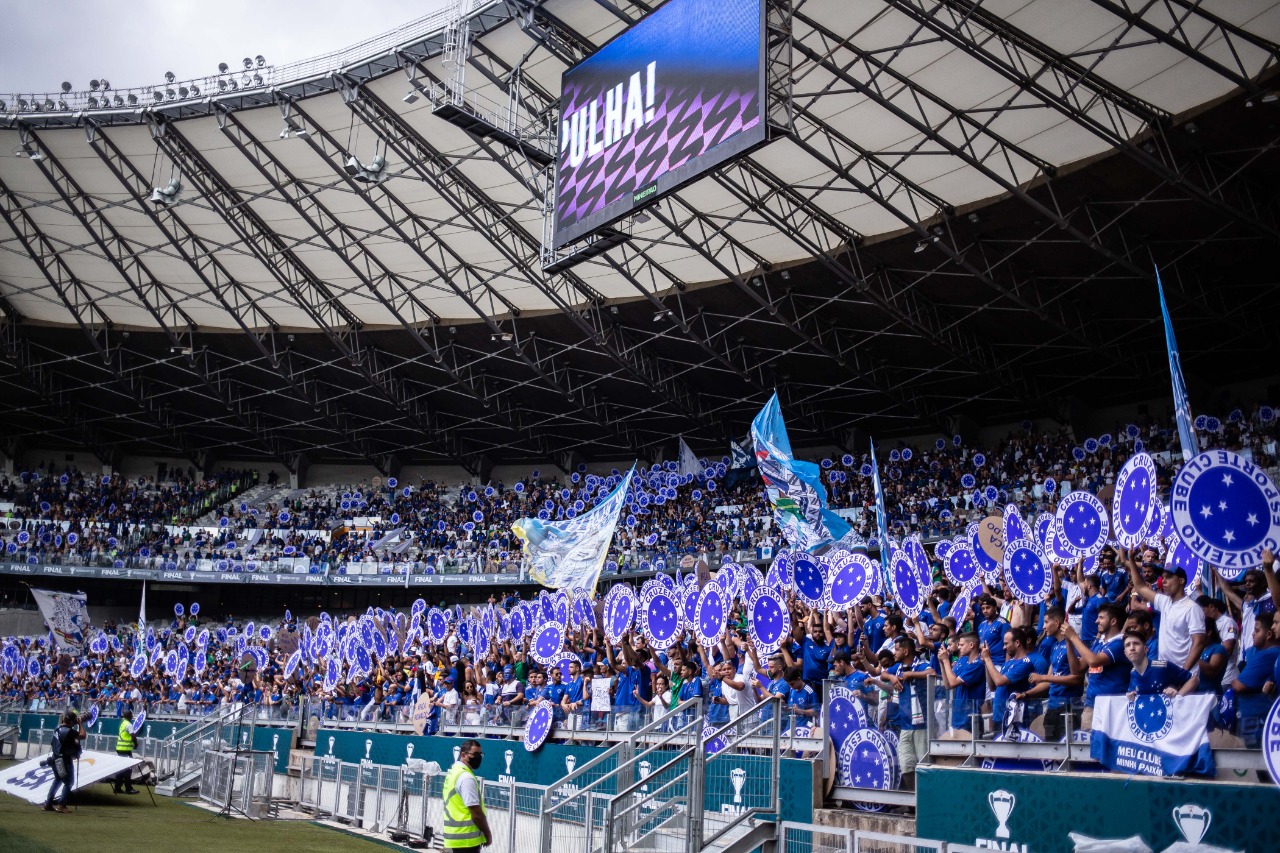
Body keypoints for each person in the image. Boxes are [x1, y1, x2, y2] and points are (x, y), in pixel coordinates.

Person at [1126, 551, 1205, 670]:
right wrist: (1131, 560)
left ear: (1181, 581)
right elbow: (1140, 587)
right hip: (1165, 671)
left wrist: (1183, 673)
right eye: (1162, 577)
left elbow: (1198, 642)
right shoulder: (1165, 602)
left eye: (1169, 577)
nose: (1163, 581)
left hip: (1184, 673)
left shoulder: (1192, 608)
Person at [441, 739, 491, 849]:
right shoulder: (466, 777)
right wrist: (487, 833)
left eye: (480, 754)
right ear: (463, 755)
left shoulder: (454, 772)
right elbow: (476, 812)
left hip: (454, 838)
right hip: (467, 840)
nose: (478, 757)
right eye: (475, 754)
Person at [44, 710, 85, 813]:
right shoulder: (69, 731)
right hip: (64, 760)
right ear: (71, 721)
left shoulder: (57, 728)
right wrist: (80, 724)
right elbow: (83, 735)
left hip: (55, 758)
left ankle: (48, 803)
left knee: (57, 780)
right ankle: (61, 804)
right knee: (69, 782)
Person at [112, 709, 140, 795]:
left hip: (120, 748)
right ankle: (128, 788)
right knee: (128, 769)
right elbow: (133, 735)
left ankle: (117, 787)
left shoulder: (123, 723)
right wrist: (136, 744)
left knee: (121, 768)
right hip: (125, 749)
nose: (132, 717)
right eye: (131, 715)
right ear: (129, 716)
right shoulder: (129, 724)